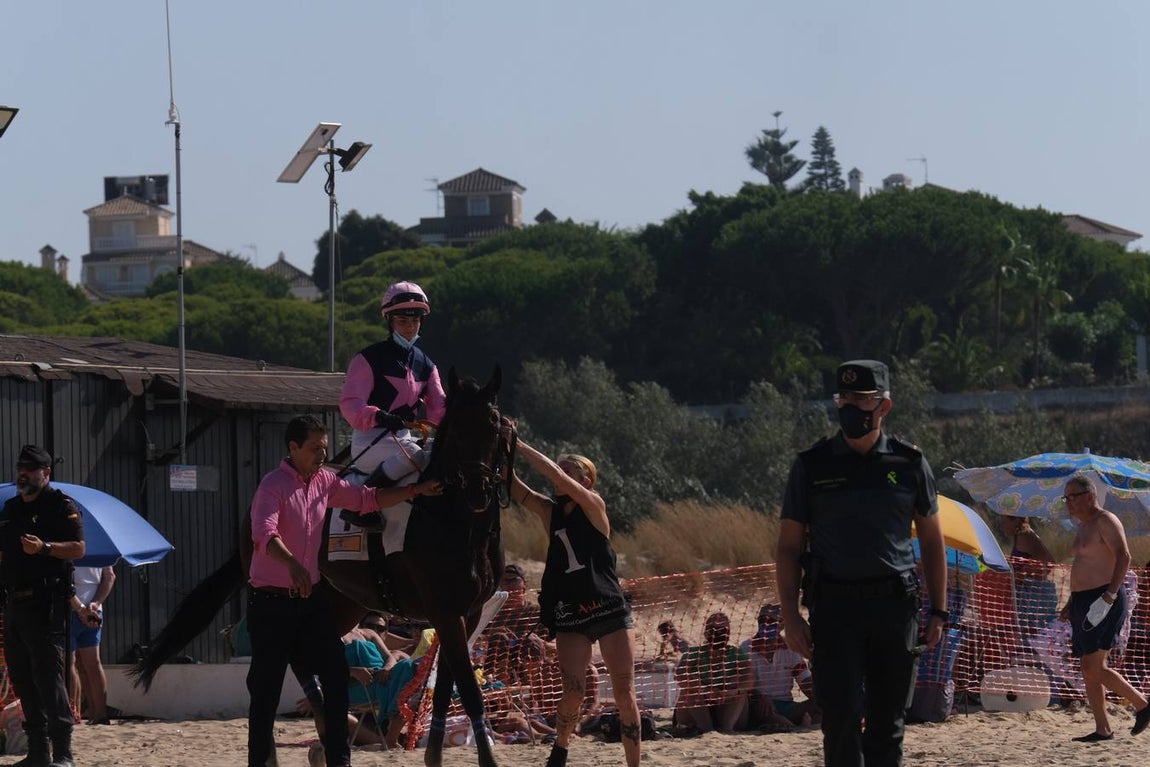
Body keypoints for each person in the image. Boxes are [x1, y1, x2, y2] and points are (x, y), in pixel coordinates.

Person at [775, 359, 948, 767]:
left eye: (862, 399)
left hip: (895, 608)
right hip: (834, 609)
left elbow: (932, 539)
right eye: (844, 398)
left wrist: (939, 610)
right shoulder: (812, 466)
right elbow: (787, 547)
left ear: (883, 406)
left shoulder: (909, 464)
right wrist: (790, 616)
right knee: (841, 717)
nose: (851, 407)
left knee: (889, 722)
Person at [246, 415, 441, 767]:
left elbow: (367, 499)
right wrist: (292, 564)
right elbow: (263, 533)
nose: (322, 454)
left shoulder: (325, 482)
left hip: (310, 600)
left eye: (325, 447)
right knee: (265, 692)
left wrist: (415, 490)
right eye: (315, 448)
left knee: (335, 677)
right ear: (293, 448)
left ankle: (340, 761)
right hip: (271, 603)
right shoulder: (272, 485)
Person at [509, 437, 641, 767]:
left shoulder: (593, 504)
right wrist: (500, 448)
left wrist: (521, 445)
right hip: (570, 612)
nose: (559, 475)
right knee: (572, 691)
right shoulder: (551, 513)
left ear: (584, 479)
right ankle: (562, 746)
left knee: (624, 692)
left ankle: (634, 764)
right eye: (561, 468)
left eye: (568, 470)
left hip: (608, 607)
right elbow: (517, 489)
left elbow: (555, 475)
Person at [0, 444, 86, 767]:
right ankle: (38, 752)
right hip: (13, 606)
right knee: (22, 680)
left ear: (46, 474)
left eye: (31, 469)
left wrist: (45, 548)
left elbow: (78, 548)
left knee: (49, 679)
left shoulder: (60, 506)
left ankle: (63, 753)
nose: (23, 474)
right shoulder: (10, 510)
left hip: (45, 604)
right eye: (20, 468)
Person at [1058, 473, 1150, 742]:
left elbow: (1124, 556)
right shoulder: (1082, 526)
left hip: (1104, 597)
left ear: (1089, 496)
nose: (1068, 503)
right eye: (1066, 498)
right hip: (1083, 600)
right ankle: (1102, 728)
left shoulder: (1105, 520)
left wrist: (1110, 595)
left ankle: (1143, 704)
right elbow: (1083, 565)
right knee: (1089, 666)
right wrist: (1071, 601)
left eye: (1072, 497)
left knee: (1092, 664)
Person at [338, 281, 445, 483]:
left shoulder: (427, 365)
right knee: (415, 454)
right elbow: (350, 404)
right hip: (370, 440)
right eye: (402, 321)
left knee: (441, 451)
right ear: (390, 322)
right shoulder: (368, 358)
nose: (409, 327)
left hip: (403, 439)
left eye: (415, 321)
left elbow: (440, 408)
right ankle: (363, 508)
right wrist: (379, 416)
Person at [741, 603, 820, 728]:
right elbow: (743, 685)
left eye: (771, 621)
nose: (765, 625)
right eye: (762, 621)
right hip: (761, 706)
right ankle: (797, 726)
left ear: (782, 625)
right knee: (775, 718)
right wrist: (760, 697)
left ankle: (799, 723)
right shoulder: (746, 647)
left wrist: (819, 697)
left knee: (822, 706)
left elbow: (805, 681)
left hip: (787, 705)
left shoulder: (790, 646)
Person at [673, 611, 752, 734]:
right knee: (690, 688)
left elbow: (750, 679)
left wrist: (730, 691)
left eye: (722, 630)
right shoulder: (694, 653)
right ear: (706, 632)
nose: (718, 633)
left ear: (729, 633)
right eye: (714, 629)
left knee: (738, 687)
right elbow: (680, 676)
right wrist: (704, 690)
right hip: (697, 709)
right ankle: (707, 730)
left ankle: (727, 729)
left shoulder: (736, 654)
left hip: (725, 707)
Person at [68, 564, 115, 725]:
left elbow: (63, 582)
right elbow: (109, 576)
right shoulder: (103, 547)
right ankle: (100, 714)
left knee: (69, 663)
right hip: (95, 610)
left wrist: (80, 608)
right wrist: (95, 603)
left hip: (71, 610)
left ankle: (72, 713)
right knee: (93, 663)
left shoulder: (69, 544)